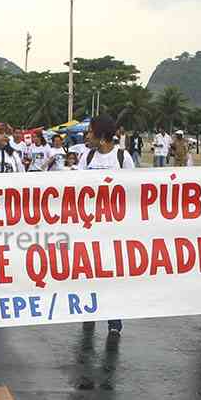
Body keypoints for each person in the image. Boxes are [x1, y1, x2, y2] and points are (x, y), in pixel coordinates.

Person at [77, 114, 133, 338]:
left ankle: (114, 321)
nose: (87, 135)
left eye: (90, 131)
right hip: (89, 227)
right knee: (88, 271)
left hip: (114, 229)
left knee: (111, 275)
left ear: (101, 134)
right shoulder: (87, 156)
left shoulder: (122, 157)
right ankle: (88, 312)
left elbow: (134, 191)